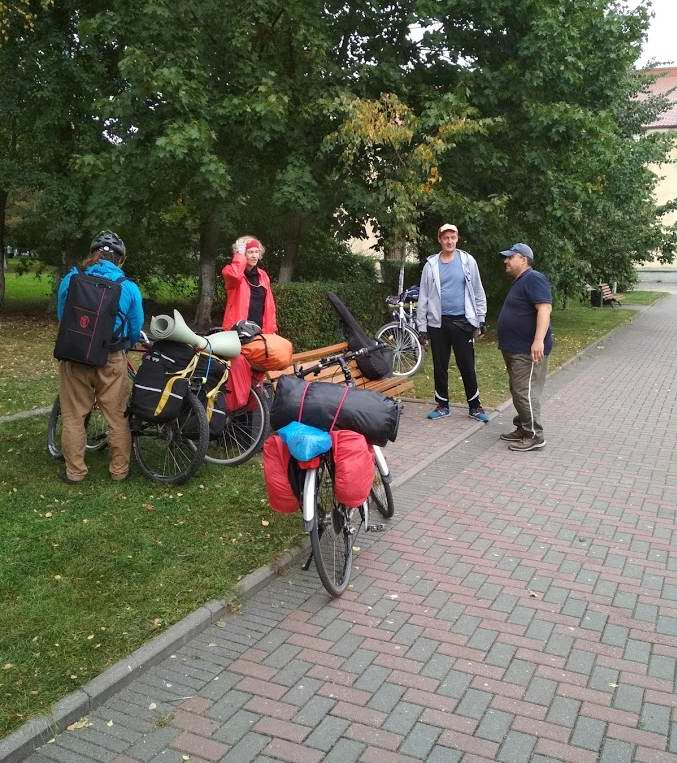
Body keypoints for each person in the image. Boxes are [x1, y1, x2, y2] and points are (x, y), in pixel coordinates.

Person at [56, 231, 144, 483]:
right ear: (120, 259)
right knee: (117, 416)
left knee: (73, 415)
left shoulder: (72, 279)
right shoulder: (128, 287)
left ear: (93, 254)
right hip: (111, 357)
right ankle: (119, 471)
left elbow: (64, 317)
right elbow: (135, 328)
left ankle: (75, 472)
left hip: (75, 358)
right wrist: (123, 344)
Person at [416, 223, 489, 422]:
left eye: (453, 237)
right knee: (440, 366)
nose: (449, 241)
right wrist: (422, 327)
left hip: (463, 322)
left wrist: (480, 318)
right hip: (437, 324)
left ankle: (475, 406)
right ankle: (442, 405)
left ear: (457, 239)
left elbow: (477, 290)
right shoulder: (430, 265)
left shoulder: (467, 261)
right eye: (445, 238)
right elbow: (423, 297)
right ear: (439, 239)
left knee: (466, 365)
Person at [496, 242, 553, 451]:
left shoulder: (534, 278)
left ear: (523, 259)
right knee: (518, 389)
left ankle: (534, 435)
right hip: (515, 348)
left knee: (525, 391)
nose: (506, 261)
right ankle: (523, 426)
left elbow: (545, 308)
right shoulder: (521, 281)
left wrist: (538, 340)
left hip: (527, 350)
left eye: (510, 257)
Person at [221, 236, 278, 409]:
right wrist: (239, 256)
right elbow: (234, 276)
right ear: (241, 254)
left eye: (256, 252)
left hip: (260, 334)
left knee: (257, 376)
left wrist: (271, 331)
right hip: (237, 333)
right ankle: (231, 411)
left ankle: (249, 421)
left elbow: (270, 306)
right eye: (249, 252)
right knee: (238, 373)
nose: (253, 255)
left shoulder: (263, 276)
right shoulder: (232, 271)